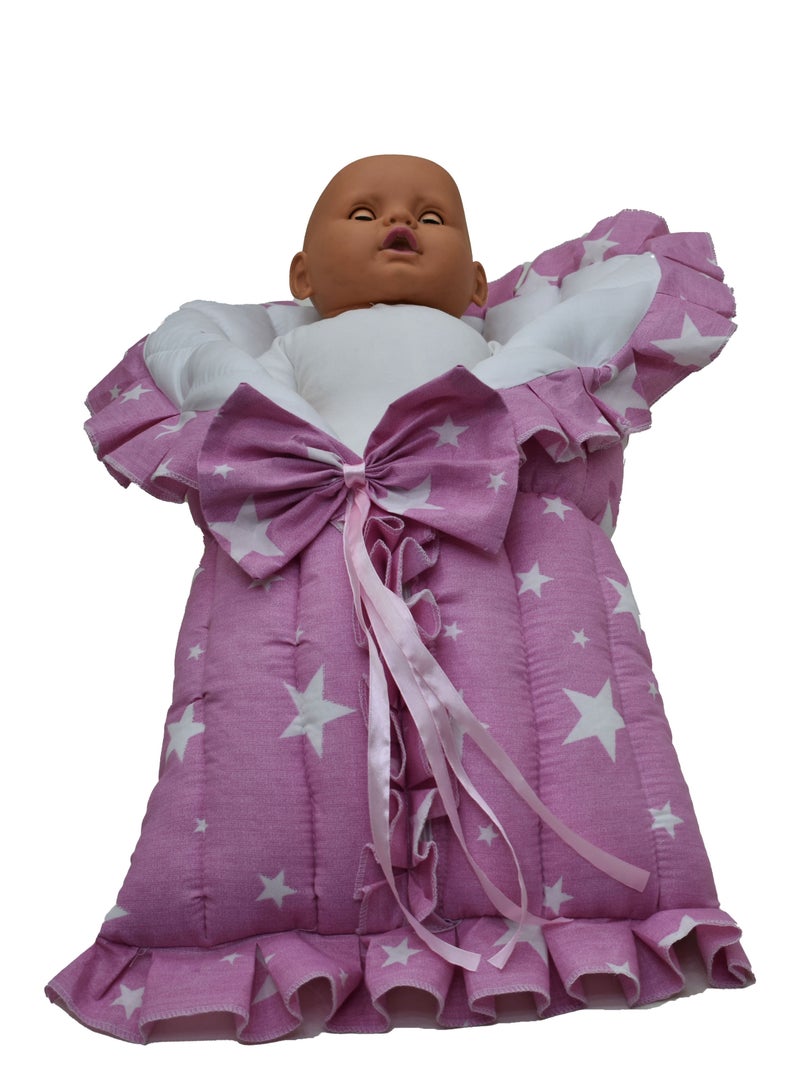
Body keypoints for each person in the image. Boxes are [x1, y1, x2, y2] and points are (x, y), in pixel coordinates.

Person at [47, 155, 753, 1043]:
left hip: (493, 559)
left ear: (476, 285)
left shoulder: (503, 357)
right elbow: (198, 369)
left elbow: (617, 301)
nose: (400, 223)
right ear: (302, 277)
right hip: (305, 555)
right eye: (362, 212)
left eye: (432, 215)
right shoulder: (274, 358)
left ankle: (580, 924)